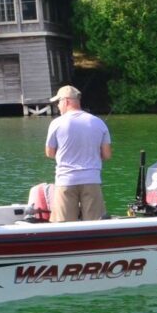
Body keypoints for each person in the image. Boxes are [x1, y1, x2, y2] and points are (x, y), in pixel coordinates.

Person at [44, 85, 112, 222]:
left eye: (58, 102)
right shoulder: (98, 122)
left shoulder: (56, 123)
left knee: (63, 226)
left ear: (66, 101)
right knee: (94, 225)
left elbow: (50, 153)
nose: (58, 106)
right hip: (91, 180)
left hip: (66, 181)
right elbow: (107, 155)